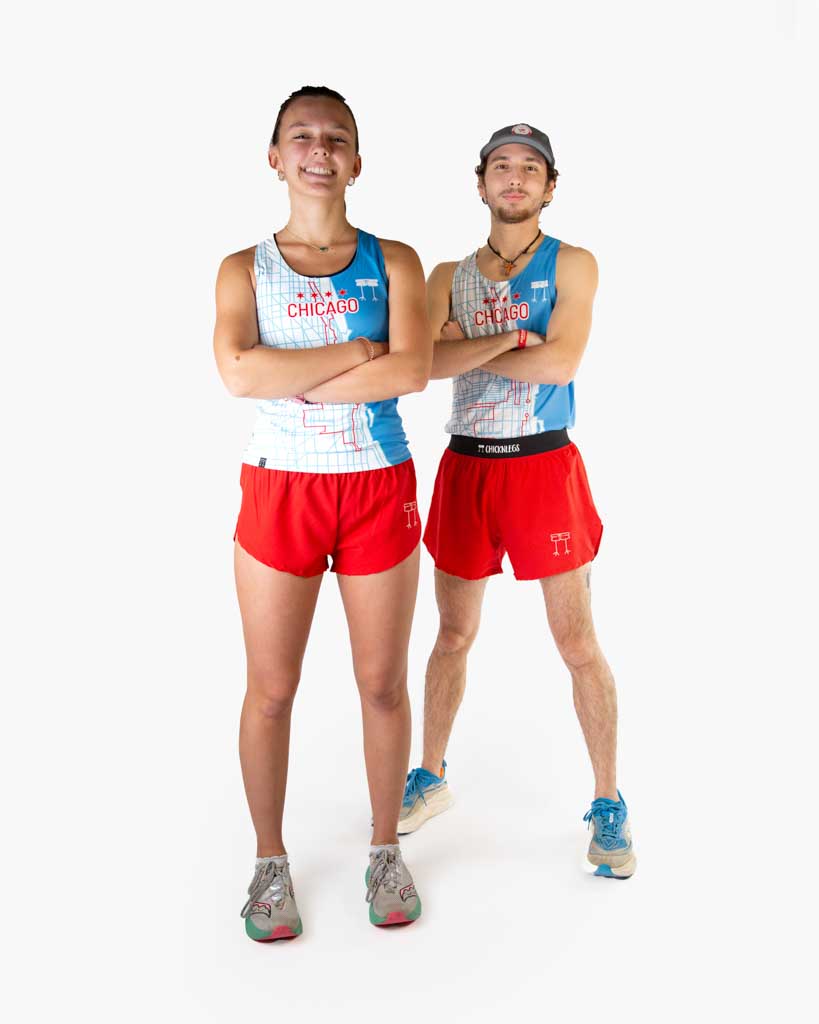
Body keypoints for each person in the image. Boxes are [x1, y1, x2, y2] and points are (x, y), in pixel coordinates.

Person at [213, 86, 432, 939]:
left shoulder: (397, 260)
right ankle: (270, 864)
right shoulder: (243, 268)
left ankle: (385, 849)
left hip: (376, 482)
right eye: (301, 135)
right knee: (271, 691)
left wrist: (288, 367)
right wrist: (352, 352)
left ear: (356, 160)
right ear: (275, 157)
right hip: (280, 487)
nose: (319, 148)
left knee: (381, 684)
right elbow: (237, 375)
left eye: (336, 137)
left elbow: (410, 374)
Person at [400, 123, 636, 879]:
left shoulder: (574, 263)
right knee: (451, 636)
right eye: (500, 166)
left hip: (543, 467)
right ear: (479, 183)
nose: (514, 178)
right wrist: (512, 343)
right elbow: (423, 365)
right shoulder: (444, 274)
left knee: (576, 644)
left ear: (549, 186)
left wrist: (472, 344)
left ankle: (607, 801)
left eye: (528, 168)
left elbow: (564, 357)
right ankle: (430, 775)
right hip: (467, 465)